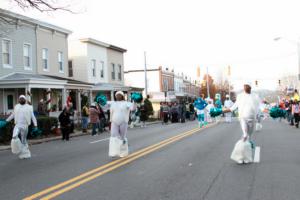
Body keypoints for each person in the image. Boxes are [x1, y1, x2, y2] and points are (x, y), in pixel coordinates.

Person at [224, 82, 260, 164]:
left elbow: (260, 107)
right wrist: (220, 111)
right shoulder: (240, 96)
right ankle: (239, 157)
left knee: (248, 138)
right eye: (244, 86)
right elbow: (233, 107)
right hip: (243, 118)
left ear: (250, 87)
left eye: (247, 86)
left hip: (252, 120)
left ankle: (246, 157)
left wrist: (274, 112)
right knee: (244, 136)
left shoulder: (255, 96)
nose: (245, 87)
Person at [109, 91, 136, 157]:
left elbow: (133, 108)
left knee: (122, 137)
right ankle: (114, 152)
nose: (118, 96)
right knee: (114, 136)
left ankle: (123, 152)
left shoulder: (126, 103)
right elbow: (104, 105)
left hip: (123, 122)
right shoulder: (113, 103)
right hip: (114, 121)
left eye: (119, 95)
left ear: (122, 96)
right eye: (117, 95)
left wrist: (135, 102)